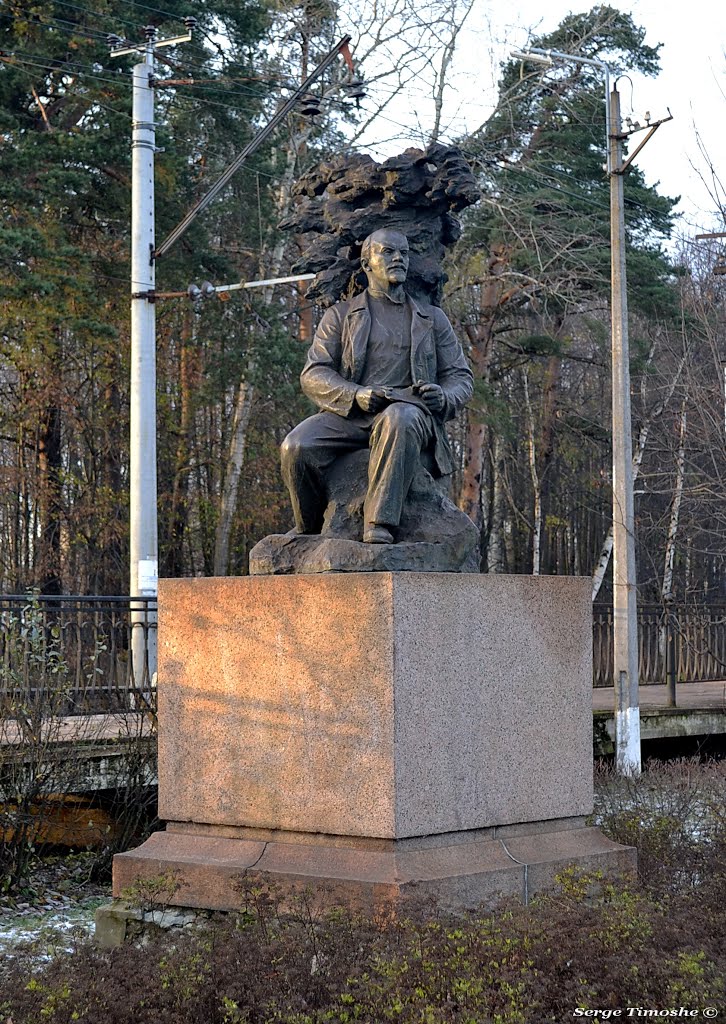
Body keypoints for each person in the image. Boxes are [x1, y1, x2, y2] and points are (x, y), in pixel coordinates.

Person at [281, 227, 473, 544]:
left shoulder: (432, 318)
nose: (399, 258)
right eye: (388, 251)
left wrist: (444, 396)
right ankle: (310, 527)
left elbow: (460, 377)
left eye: (404, 253)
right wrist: (356, 394)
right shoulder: (340, 316)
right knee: (296, 446)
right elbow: (314, 373)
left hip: (411, 412)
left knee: (400, 417)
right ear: (367, 263)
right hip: (351, 414)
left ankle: (379, 523)